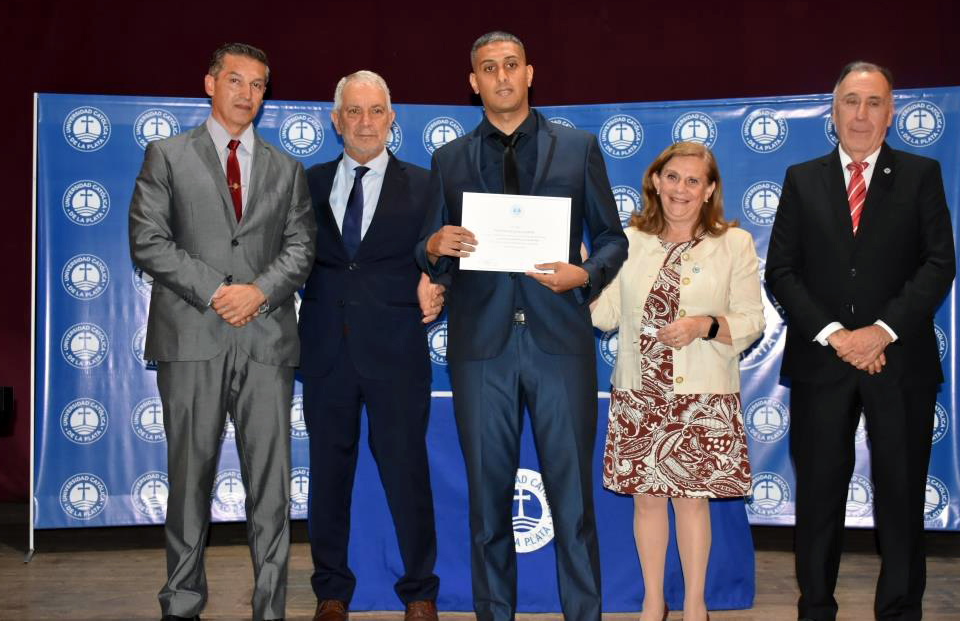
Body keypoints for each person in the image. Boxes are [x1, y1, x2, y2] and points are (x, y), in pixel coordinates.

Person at [415, 31, 628, 621]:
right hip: (481, 349)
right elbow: (434, 248)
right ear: (473, 81)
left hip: (559, 344)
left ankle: (583, 615)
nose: (502, 76)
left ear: (530, 73)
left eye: (511, 65)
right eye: (488, 67)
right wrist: (432, 247)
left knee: (573, 502)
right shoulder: (449, 159)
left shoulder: (578, 147)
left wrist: (583, 274)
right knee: (487, 506)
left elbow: (612, 238)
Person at [128, 42, 316, 621]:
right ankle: (181, 605)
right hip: (192, 338)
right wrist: (217, 290)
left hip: (265, 341)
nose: (247, 94)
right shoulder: (166, 155)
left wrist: (257, 292)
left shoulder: (287, 168)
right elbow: (148, 240)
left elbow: (301, 246)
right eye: (236, 80)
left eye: (259, 84)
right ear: (210, 83)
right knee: (188, 482)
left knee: (271, 491)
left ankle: (270, 609)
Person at [765, 61, 956, 621]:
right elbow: (782, 271)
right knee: (820, 500)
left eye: (874, 103)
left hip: (899, 363)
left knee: (900, 498)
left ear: (891, 114)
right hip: (822, 364)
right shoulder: (802, 178)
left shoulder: (921, 175)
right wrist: (836, 336)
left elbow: (938, 264)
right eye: (851, 101)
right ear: (833, 110)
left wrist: (880, 332)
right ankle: (816, 608)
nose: (861, 114)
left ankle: (899, 610)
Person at [591, 141, 764, 621]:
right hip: (639, 393)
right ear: (655, 181)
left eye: (693, 180)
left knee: (691, 502)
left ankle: (694, 606)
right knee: (647, 501)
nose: (680, 189)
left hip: (701, 396)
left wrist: (703, 324)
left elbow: (751, 320)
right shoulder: (628, 241)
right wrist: (577, 273)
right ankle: (652, 603)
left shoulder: (735, 244)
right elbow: (604, 315)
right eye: (672, 177)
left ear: (709, 190)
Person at [297, 70, 443, 621]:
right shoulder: (305, 183)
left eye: (375, 111)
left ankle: (420, 591)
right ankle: (330, 591)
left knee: (408, 474)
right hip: (325, 352)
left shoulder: (428, 186)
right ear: (336, 121)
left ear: (391, 119)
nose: (364, 122)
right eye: (353, 112)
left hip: (398, 353)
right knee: (329, 478)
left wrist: (441, 283)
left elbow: (446, 256)